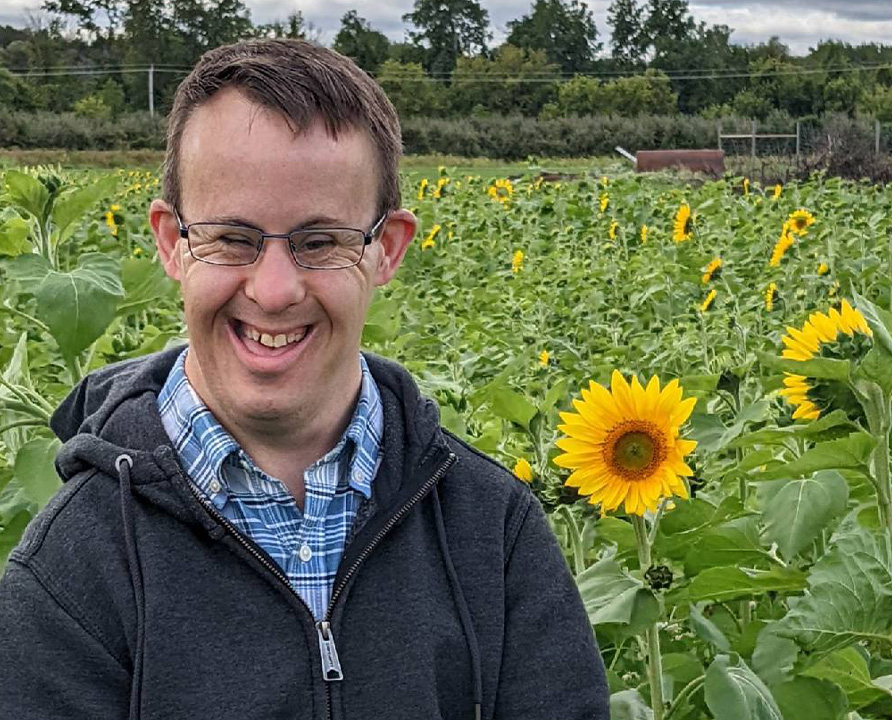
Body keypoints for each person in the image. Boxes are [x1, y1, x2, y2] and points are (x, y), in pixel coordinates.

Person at [0, 39, 609, 720]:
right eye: (232, 237)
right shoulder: (73, 569)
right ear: (172, 242)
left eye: (320, 242)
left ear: (387, 249)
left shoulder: (490, 529)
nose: (275, 289)